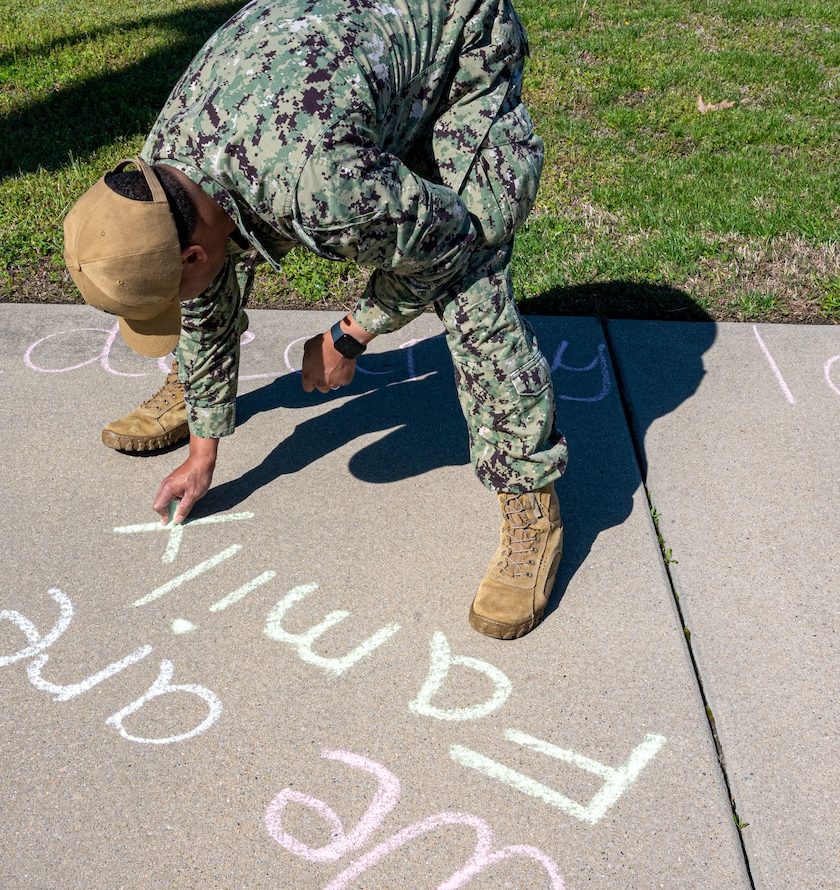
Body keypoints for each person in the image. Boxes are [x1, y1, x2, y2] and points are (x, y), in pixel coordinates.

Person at [62, 0, 568, 638]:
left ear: (191, 253)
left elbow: (448, 242)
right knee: (224, 262)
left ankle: (530, 503)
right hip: (337, 64)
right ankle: (197, 395)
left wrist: (349, 336)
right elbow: (202, 288)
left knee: (473, 273)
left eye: (170, 295)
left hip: (460, 33)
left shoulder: (318, 188)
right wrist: (204, 446)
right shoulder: (163, 167)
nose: (181, 307)